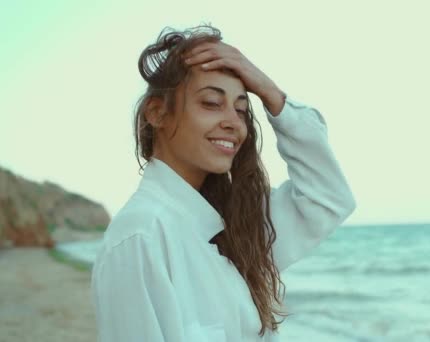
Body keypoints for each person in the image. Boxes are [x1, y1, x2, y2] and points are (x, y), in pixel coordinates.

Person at [90, 24, 356, 341]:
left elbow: (328, 198)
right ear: (157, 113)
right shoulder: (141, 235)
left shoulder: (234, 225)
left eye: (241, 109)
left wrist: (271, 94)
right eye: (211, 103)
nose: (233, 122)